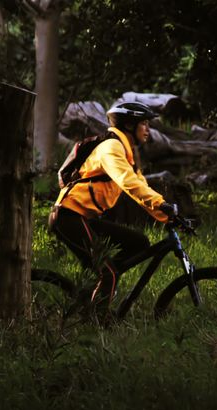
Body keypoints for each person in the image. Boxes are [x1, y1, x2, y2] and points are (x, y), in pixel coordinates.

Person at [50, 101, 177, 306]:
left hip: (83, 218)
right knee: (107, 272)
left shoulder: (125, 154)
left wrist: (168, 215)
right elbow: (128, 182)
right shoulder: (110, 147)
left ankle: (92, 292)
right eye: (144, 123)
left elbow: (140, 188)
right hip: (68, 217)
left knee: (139, 244)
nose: (148, 129)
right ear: (129, 125)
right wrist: (162, 205)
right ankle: (99, 321)